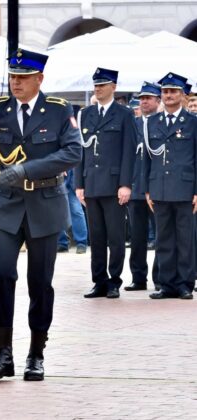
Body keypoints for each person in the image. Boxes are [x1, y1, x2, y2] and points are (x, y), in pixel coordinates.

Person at [0, 49, 81, 381]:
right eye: (12, 76)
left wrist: (24, 169)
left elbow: (73, 151)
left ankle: (36, 353)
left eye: (23, 77)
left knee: (40, 282)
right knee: (2, 274)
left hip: (45, 202)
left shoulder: (59, 111)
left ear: (39, 79)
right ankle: (3, 353)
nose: (16, 82)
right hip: (7, 205)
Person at [77, 68, 136, 299]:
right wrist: (79, 184)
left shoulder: (124, 114)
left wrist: (125, 184)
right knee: (97, 237)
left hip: (113, 185)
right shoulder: (87, 113)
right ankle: (98, 281)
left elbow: (129, 152)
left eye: (102, 84)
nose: (97, 88)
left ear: (114, 87)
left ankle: (114, 281)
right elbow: (81, 150)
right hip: (91, 183)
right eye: (95, 85)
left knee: (115, 236)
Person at [144, 72, 197, 299]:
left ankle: (185, 284)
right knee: (163, 238)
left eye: (173, 91)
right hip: (160, 187)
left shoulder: (193, 122)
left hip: (185, 188)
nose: (168, 95)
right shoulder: (152, 122)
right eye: (165, 91)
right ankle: (166, 284)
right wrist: (147, 189)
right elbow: (146, 158)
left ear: (182, 95)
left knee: (185, 239)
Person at [125, 82, 161, 292]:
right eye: (142, 98)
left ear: (158, 101)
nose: (144, 101)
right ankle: (138, 278)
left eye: (149, 97)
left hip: (157, 189)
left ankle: (160, 278)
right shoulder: (133, 124)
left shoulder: (161, 123)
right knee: (137, 237)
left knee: (160, 237)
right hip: (135, 187)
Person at [57, 169, 88, 253]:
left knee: (76, 210)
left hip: (72, 173)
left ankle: (81, 243)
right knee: (57, 212)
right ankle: (61, 243)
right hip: (57, 174)